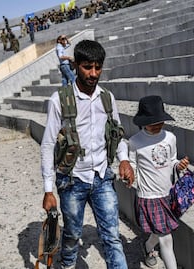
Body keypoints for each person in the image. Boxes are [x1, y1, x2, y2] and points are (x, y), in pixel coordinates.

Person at [41, 39, 135, 269]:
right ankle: (68, 265)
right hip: (72, 180)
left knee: (112, 236)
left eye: (98, 67)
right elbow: (47, 145)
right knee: (72, 234)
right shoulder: (59, 101)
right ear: (76, 66)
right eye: (87, 67)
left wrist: (124, 159)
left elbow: (116, 132)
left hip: (102, 176)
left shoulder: (107, 97)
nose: (93, 74)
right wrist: (48, 189)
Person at [128, 95, 189, 269]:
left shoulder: (170, 138)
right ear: (143, 121)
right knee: (166, 238)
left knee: (161, 231)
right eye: (152, 122)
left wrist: (180, 165)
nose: (157, 125)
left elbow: (172, 161)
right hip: (149, 197)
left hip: (168, 194)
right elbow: (132, 165)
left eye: (160, 122)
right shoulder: (135, 142)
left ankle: (147, 247)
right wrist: (128, 174)